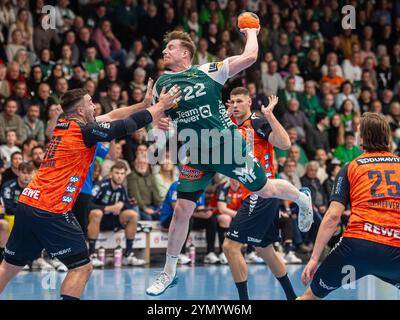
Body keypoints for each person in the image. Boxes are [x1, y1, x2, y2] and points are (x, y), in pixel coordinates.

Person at [146, 28, 313, 296]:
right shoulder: (161, 85)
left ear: (185, 52)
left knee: (265, 189)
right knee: (181, 210)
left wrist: (252, 32)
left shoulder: (207, 71)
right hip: (197, 153)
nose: (164, 51)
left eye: (171, 47)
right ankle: (168, 272)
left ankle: (302, 199)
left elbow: (250, 56)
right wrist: (159, 123)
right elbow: (156, 117)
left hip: (227, 146)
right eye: (165, 48)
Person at [0, 85, 180, 300]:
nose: (94, 106)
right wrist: (162, 105)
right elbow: (127, 125)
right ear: (81, 111)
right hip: (51, 208)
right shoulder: (85, 132)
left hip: (28, 202)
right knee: (81, 268)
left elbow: (113, 115)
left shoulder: (64, 124)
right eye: (90, 102)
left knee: (9, 267)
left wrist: (143, 105)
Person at [300, 112, 400, 300]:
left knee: (310, 296)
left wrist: (314, 258)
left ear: (362, 138)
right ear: (387, 137)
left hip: (357, 246)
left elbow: (332, 217)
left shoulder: (351, 167)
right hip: (395, 248)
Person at [222, 88, 298, 300]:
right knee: (265, 249)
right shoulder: (231, 126)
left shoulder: (257, 122)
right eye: (232, 102)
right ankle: (293, 297)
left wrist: (270, 117)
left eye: (240, 101)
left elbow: (284, 143)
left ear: (249, 102)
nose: (235, 105)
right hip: (253, 192)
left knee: (230, 247)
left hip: (262, 191)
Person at [87, 161, 145, 267]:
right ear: (111, 174)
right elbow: (88, 204)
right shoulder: (101, 185)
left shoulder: (121, 188)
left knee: (133, 214)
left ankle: (128, 255)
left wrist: (122, 204)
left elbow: (127, 204)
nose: (119, 176)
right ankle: (91, 255)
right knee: (97, 213)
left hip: (113, 220)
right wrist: (108, 208)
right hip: (98, 221)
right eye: (117, 173)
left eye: (122, 174)